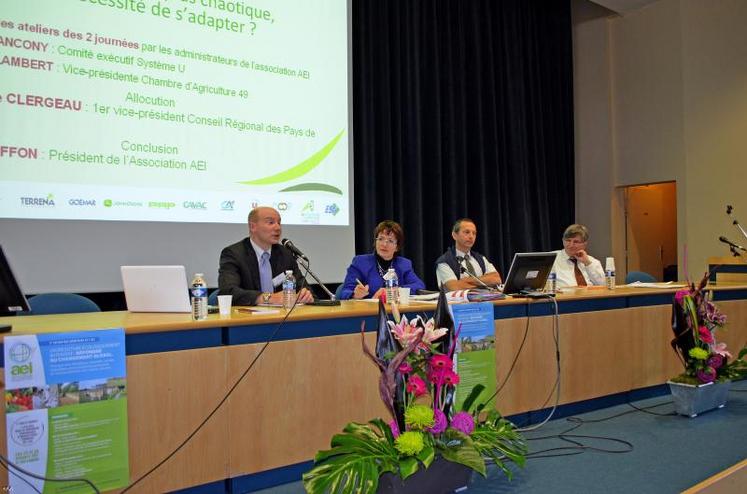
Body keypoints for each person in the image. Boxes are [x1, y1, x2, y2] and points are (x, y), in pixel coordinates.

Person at [218, 206, 314, 306]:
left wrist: (305, 295)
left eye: (279, 223)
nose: (278, 228)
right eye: (271, 222)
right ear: (252, 227)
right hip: (248, 318)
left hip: (282, 315)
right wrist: (268, 298)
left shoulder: (285, 254)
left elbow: (303, 286)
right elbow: (228, 291)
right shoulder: (234, 254)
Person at [338, 220, 425, 300]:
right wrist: (354, 294)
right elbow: (344, 292)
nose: (384, 244)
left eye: (390, 241)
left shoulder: (404, 264)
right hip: (368, 312)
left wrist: (396, 291)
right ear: (375, 242)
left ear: (397, 247)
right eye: (380, 239)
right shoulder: (360, 262)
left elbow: (419, 285)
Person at [435, 218, 502, 290]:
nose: (471, 236)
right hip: (461, 301)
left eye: (474, 233)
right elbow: (454, 287)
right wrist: (484, 284)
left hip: (485, 300)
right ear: (454, 235)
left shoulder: (481, 258)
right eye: (467, 232)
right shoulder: (444, 262)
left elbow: (496, 279)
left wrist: (466, 280)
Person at [551, 224, 605, 288]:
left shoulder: (592, 262)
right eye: (568, 240)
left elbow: (603, 285)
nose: (571, 245)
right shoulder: (551, 259)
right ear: (563, 241)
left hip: (589, 297)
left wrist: (587, 263)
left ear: (584, 244)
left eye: (576, 242)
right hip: (563, 297)